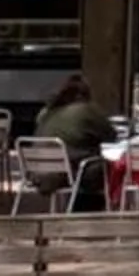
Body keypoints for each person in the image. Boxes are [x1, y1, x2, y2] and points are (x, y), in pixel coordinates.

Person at [39, 73, 113, 207]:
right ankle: (89, 208)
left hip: (39, 172)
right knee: (103, 167)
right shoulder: (86, 110)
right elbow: (110, 135)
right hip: (68, 173)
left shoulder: (45, 112)